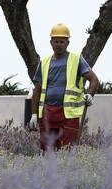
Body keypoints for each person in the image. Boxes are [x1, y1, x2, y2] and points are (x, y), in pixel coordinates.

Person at [30, 23, 99, 151]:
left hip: (69, 114)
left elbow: (94, 79)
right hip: (47, 113)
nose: (59, 44)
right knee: (48, 151)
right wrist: (34, 114)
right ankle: (50, 171)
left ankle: (66, 171)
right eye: (56, 41)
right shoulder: (44, 63)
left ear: (68, 42)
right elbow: (37, 90)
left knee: (67, 150)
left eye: (62, 41)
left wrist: (90, 94)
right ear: (51, 42)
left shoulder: (76, 59)